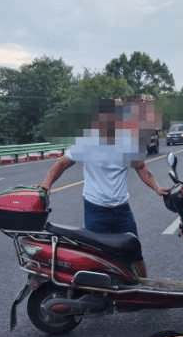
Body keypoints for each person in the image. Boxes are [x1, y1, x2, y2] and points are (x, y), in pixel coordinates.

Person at [39, 97, 168, 238]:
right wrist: (46, 185)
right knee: (98, 255)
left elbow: (141, 167)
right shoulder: (87, 143)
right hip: (95, 210)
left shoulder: (128, 143)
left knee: (133, 252)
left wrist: (157, 188)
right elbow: (62, 163)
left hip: (121, 210)